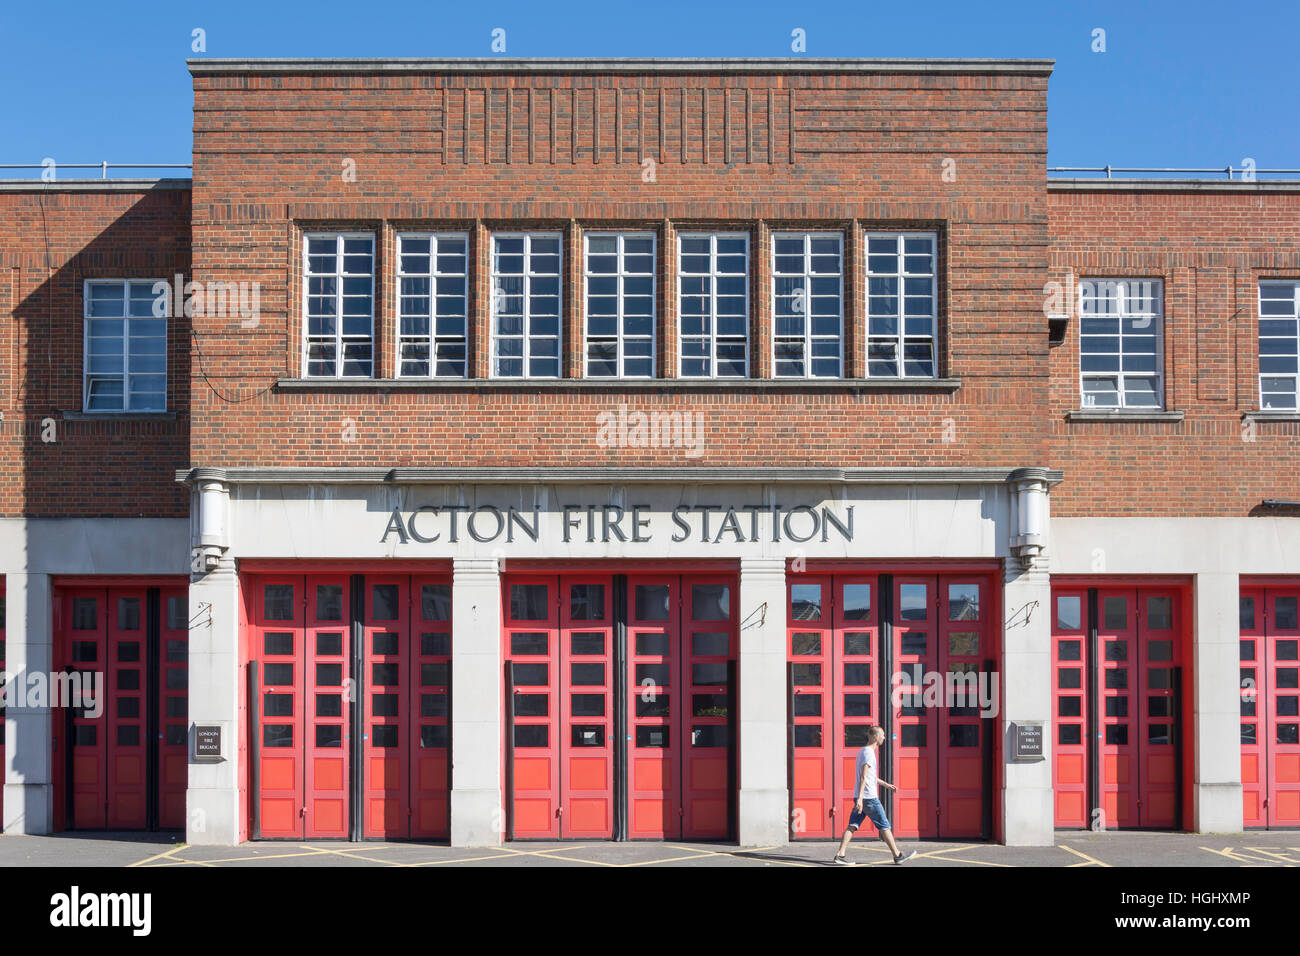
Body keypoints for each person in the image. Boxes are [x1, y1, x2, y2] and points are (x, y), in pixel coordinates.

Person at [832, 725, 917, 866]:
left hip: (862, 797)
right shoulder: (869, 753)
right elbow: (864, 777)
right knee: (885, 826)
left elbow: (870, 777)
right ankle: (898, 855)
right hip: (869, 798)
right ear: (875, 737)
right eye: (882, 735)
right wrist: (860, 798)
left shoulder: (863, 752)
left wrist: (886, 785)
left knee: (852, 825)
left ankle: (840, 855)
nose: (884, 737)